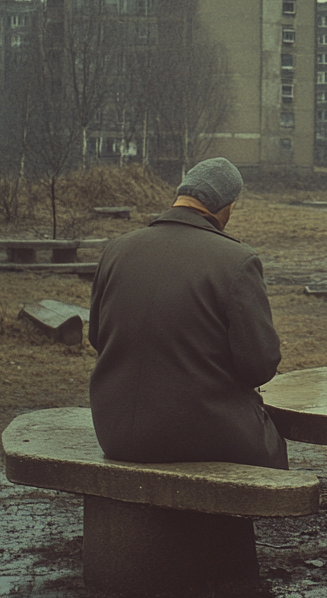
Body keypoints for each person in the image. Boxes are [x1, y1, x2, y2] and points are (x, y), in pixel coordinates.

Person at [88, 157, 287, 469]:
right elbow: (259, 367)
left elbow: (97, 337)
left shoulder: (116, 249)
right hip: (207, 436)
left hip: (116, 433)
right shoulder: (237, 261)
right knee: (267, 446)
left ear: (180, 196)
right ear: (228, 207)